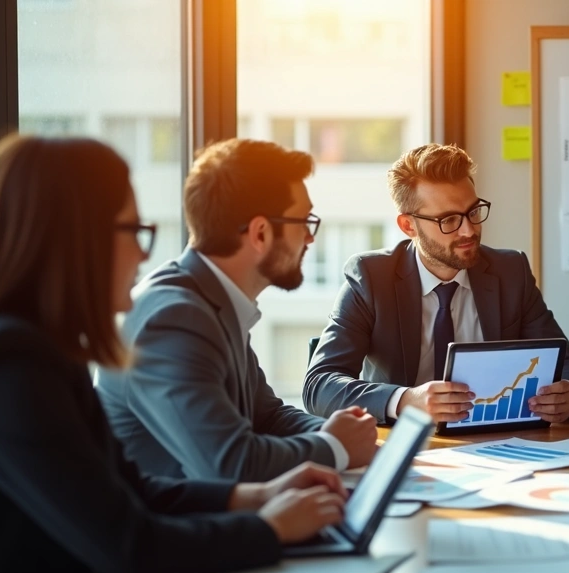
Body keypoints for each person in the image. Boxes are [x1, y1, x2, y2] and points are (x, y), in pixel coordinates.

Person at [0, 136, 349, 573]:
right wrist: (270, 529)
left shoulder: (39, 351)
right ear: (78, 239)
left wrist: (258, 496)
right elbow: (130, 547)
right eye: (133, 230)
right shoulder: (4, 366)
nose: (141, 253)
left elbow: (132, 488)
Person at [95, 139, 378, 482]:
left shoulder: (209, 302)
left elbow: (268, 416)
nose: (309, 238)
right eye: (303, 221)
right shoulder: (172, 320)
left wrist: (345, 435)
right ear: (260, 233)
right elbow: (230, 465)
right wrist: (335, 446)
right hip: (185, 529)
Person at [303, 143, 569, 425]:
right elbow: (320, 385)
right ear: (408, 226)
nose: (469, 230)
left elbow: (568, 364)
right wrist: (406, 400)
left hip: (494, 441)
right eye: (448, 219)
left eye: (473, 212)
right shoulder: (370, 277)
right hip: (406, 444)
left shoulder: (510, 271)